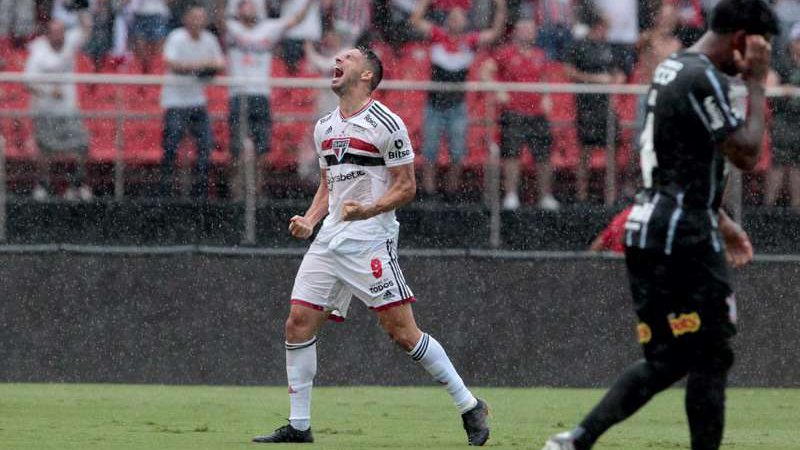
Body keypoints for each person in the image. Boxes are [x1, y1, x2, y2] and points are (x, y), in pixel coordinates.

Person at [542, 1, 777, 449]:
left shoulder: (674, 69)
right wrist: (757, 81)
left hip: (651, 224)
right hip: (681, 234)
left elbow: (677, 161)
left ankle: (574, 440)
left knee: (671, 358)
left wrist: (721, 218)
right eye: (758, 48)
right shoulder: (702, 76)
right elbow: (746, 153)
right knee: (712, 352)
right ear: (744, 39)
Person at [252, 47, 490, 446]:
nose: (337, 61)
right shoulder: (324, 125)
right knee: (297, 323)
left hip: (370, 240)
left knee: (403, 333)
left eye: (346, 57)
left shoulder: (386, 122)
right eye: (337, 57)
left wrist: (370, 210)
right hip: (330, 238)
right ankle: (299, 425)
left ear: (366, 75)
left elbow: (406, 186)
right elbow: (330, 186)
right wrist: (310, 220)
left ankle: (470, 405)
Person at [410, 0, 506, 200]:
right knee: (430, 151)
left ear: (465, 21)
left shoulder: (469, 41)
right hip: (434, 104)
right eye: (452, 17)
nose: (455, 20)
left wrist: (500, 8)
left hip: (457, 105)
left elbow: (496, 33)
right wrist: (426, 3)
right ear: (447, 21)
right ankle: (429, 193)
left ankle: (451, 192)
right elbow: (416, 20)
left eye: (459, 17)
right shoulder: (438, 36)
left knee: (457, 152)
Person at [225, 0, 315, 198]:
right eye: (244, 5)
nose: (250, 7)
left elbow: (295, 20)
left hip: (261, 96)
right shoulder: (232, 29)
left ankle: (256, 193)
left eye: (252, 4)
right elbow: (219, 16)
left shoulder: (269, 28)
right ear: (238, 11)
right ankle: (236, 194)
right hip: (238, 94)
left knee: (262, 149)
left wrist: (309, 3)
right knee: (237, 150)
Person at [480, 19, 559, 211]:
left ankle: (546, 196)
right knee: (512, 154)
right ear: (516, 32)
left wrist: (547, 97)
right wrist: (498, 89)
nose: (528, 33)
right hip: (514, 111)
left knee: (544, 155)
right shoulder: (505, 53)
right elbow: (485, 71)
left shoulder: (540, 55)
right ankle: (511, 195)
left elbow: (545, 79)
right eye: (524, 29)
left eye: (531, 30)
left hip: (537, 113)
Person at [159, 4, 225, 198]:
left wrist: (198, 67)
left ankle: (200, 194)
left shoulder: (210, 39)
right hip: (175, 102)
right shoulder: (176, 37)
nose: (198, 22)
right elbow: (171, 63)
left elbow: (219, 63)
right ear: (186, 19)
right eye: (194, 17)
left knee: (205, 146)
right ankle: (165, 193)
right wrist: (200, 67)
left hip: (197, 101)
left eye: (201, 18)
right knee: (170, 147)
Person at [25, 15, 93, 201]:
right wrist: (48, 92)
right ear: (48, 34)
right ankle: (43, 184)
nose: (59, 36)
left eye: (61, 32)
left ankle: (78, 183)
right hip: (46, 110)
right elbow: (28, 83)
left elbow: (87, 29)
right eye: (54, 32)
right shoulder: (38, 51)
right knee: (45, 149)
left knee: (81, 145)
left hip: (69, 109)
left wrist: (81, 8)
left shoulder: (70, 42)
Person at [564, 10, 625, 203]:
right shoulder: (580, 46)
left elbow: (618, 71)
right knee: (585, 150)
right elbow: (568, 71)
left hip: (606, 105)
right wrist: (593, 80)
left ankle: (611, 195)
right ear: (597, 26)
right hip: (587, 104)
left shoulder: (608, 47)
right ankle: (581, 196)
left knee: (612, 147)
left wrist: (616, 80)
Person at [767, 22, 800, 212]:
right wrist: (782, 89)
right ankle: (769, 210)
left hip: (798, 122)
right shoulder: (781, 63)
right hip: (782, 122)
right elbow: (771, 84)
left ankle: (796, 211)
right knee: (778, 164)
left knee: (797, 167)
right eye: (798, 41)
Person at [128, 0, 170, 74]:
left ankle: (154, 71)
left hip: (157, 13)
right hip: (139, 13)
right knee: (140, 47)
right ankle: (145, 71)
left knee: (157, 48)